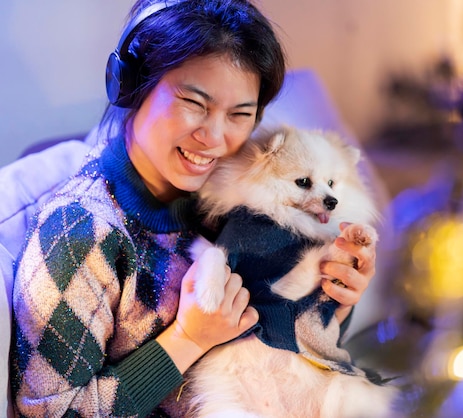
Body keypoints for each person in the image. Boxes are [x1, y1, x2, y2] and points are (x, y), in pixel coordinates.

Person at [9, 0, 378, 416]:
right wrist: (188, 338)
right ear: (131, 85)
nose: (215, 138)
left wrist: (334, 298)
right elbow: (47, 411)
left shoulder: (232, 203)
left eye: (240, 114)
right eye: (195, 104)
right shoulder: (80, 233)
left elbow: (282, 338)